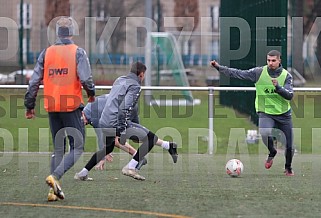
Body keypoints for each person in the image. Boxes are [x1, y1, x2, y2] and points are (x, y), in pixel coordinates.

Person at [24, 16, 96, 201]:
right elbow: (86, 78)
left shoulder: (46, 53)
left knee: (58, 148)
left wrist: (29, 105)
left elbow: (33, 82)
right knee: (77, 147)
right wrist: (91, 94)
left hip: (52, 105)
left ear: (57, 33)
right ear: (72, 32)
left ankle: (52, 191)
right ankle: (55, 177)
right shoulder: (77, 52)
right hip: (70, 106)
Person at [74, 61, 178, 181]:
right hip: (116, 121)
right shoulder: (135, 86)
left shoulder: (119, 79)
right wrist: (123, 130)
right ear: (142, 74)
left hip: (105, 120)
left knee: (108, 148)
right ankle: (131, 167)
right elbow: (124, 109)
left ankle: (83, 173)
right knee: (150, 138)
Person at [210, 50, 294, 176]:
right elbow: (237, 73)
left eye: (273, 60)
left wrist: (278, 88)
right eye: (268, 60)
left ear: (279, 61)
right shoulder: (259, 72)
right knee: (265, 132)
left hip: (284, 114)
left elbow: (289, 96)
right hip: (266, 112)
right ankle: (272, 152)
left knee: (289, 146)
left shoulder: (286, 76)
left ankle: (288, 168)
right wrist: (218, 67)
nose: (270, 63)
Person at [81, 94, 147, 171]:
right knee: (135, 137)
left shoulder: (92, 114)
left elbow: (101, 136)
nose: (83, 124)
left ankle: (140, 157)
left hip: (124, 108)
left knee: (116, 139)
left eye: (81, 122)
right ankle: (140, 156)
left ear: (82, 114)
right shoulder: (89, 110)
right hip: (129, 105)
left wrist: (102, 158)